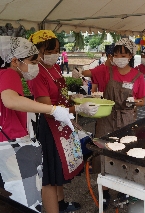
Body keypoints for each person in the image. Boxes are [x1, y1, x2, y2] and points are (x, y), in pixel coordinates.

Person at [72, 38, 145, 210]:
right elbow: (89, 73)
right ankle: (104, 191)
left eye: (123, 54)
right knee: (103, 154)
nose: (119, 58)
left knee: (124, 154)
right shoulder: (107, 70)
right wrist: (78, 72)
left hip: (127, 120)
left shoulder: (138, 76)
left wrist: (134, 102)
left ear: (130, 55)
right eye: (116, 54)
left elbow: (143, 100)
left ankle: (123, 191)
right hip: (106, 118)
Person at [0, 36, 74, 212]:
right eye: (32, 61)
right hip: (13, 143)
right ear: (14, 60)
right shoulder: (10, 73)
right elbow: (10, 100)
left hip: (6, 142)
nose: (35, 66)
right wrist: (53, 110)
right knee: (27, 199)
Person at [28, 30, 98, 213]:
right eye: (49, 51)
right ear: (37, 51)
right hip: (49, 127)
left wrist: (75, 98)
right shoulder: (36, 73)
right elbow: (48, 109)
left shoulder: (56, 68)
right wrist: (78, 109)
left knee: (60, 169)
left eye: (57, 50)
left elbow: (60, 95)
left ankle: (61, 204)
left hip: (63, 124)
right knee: (50, 175)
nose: (54, 54)